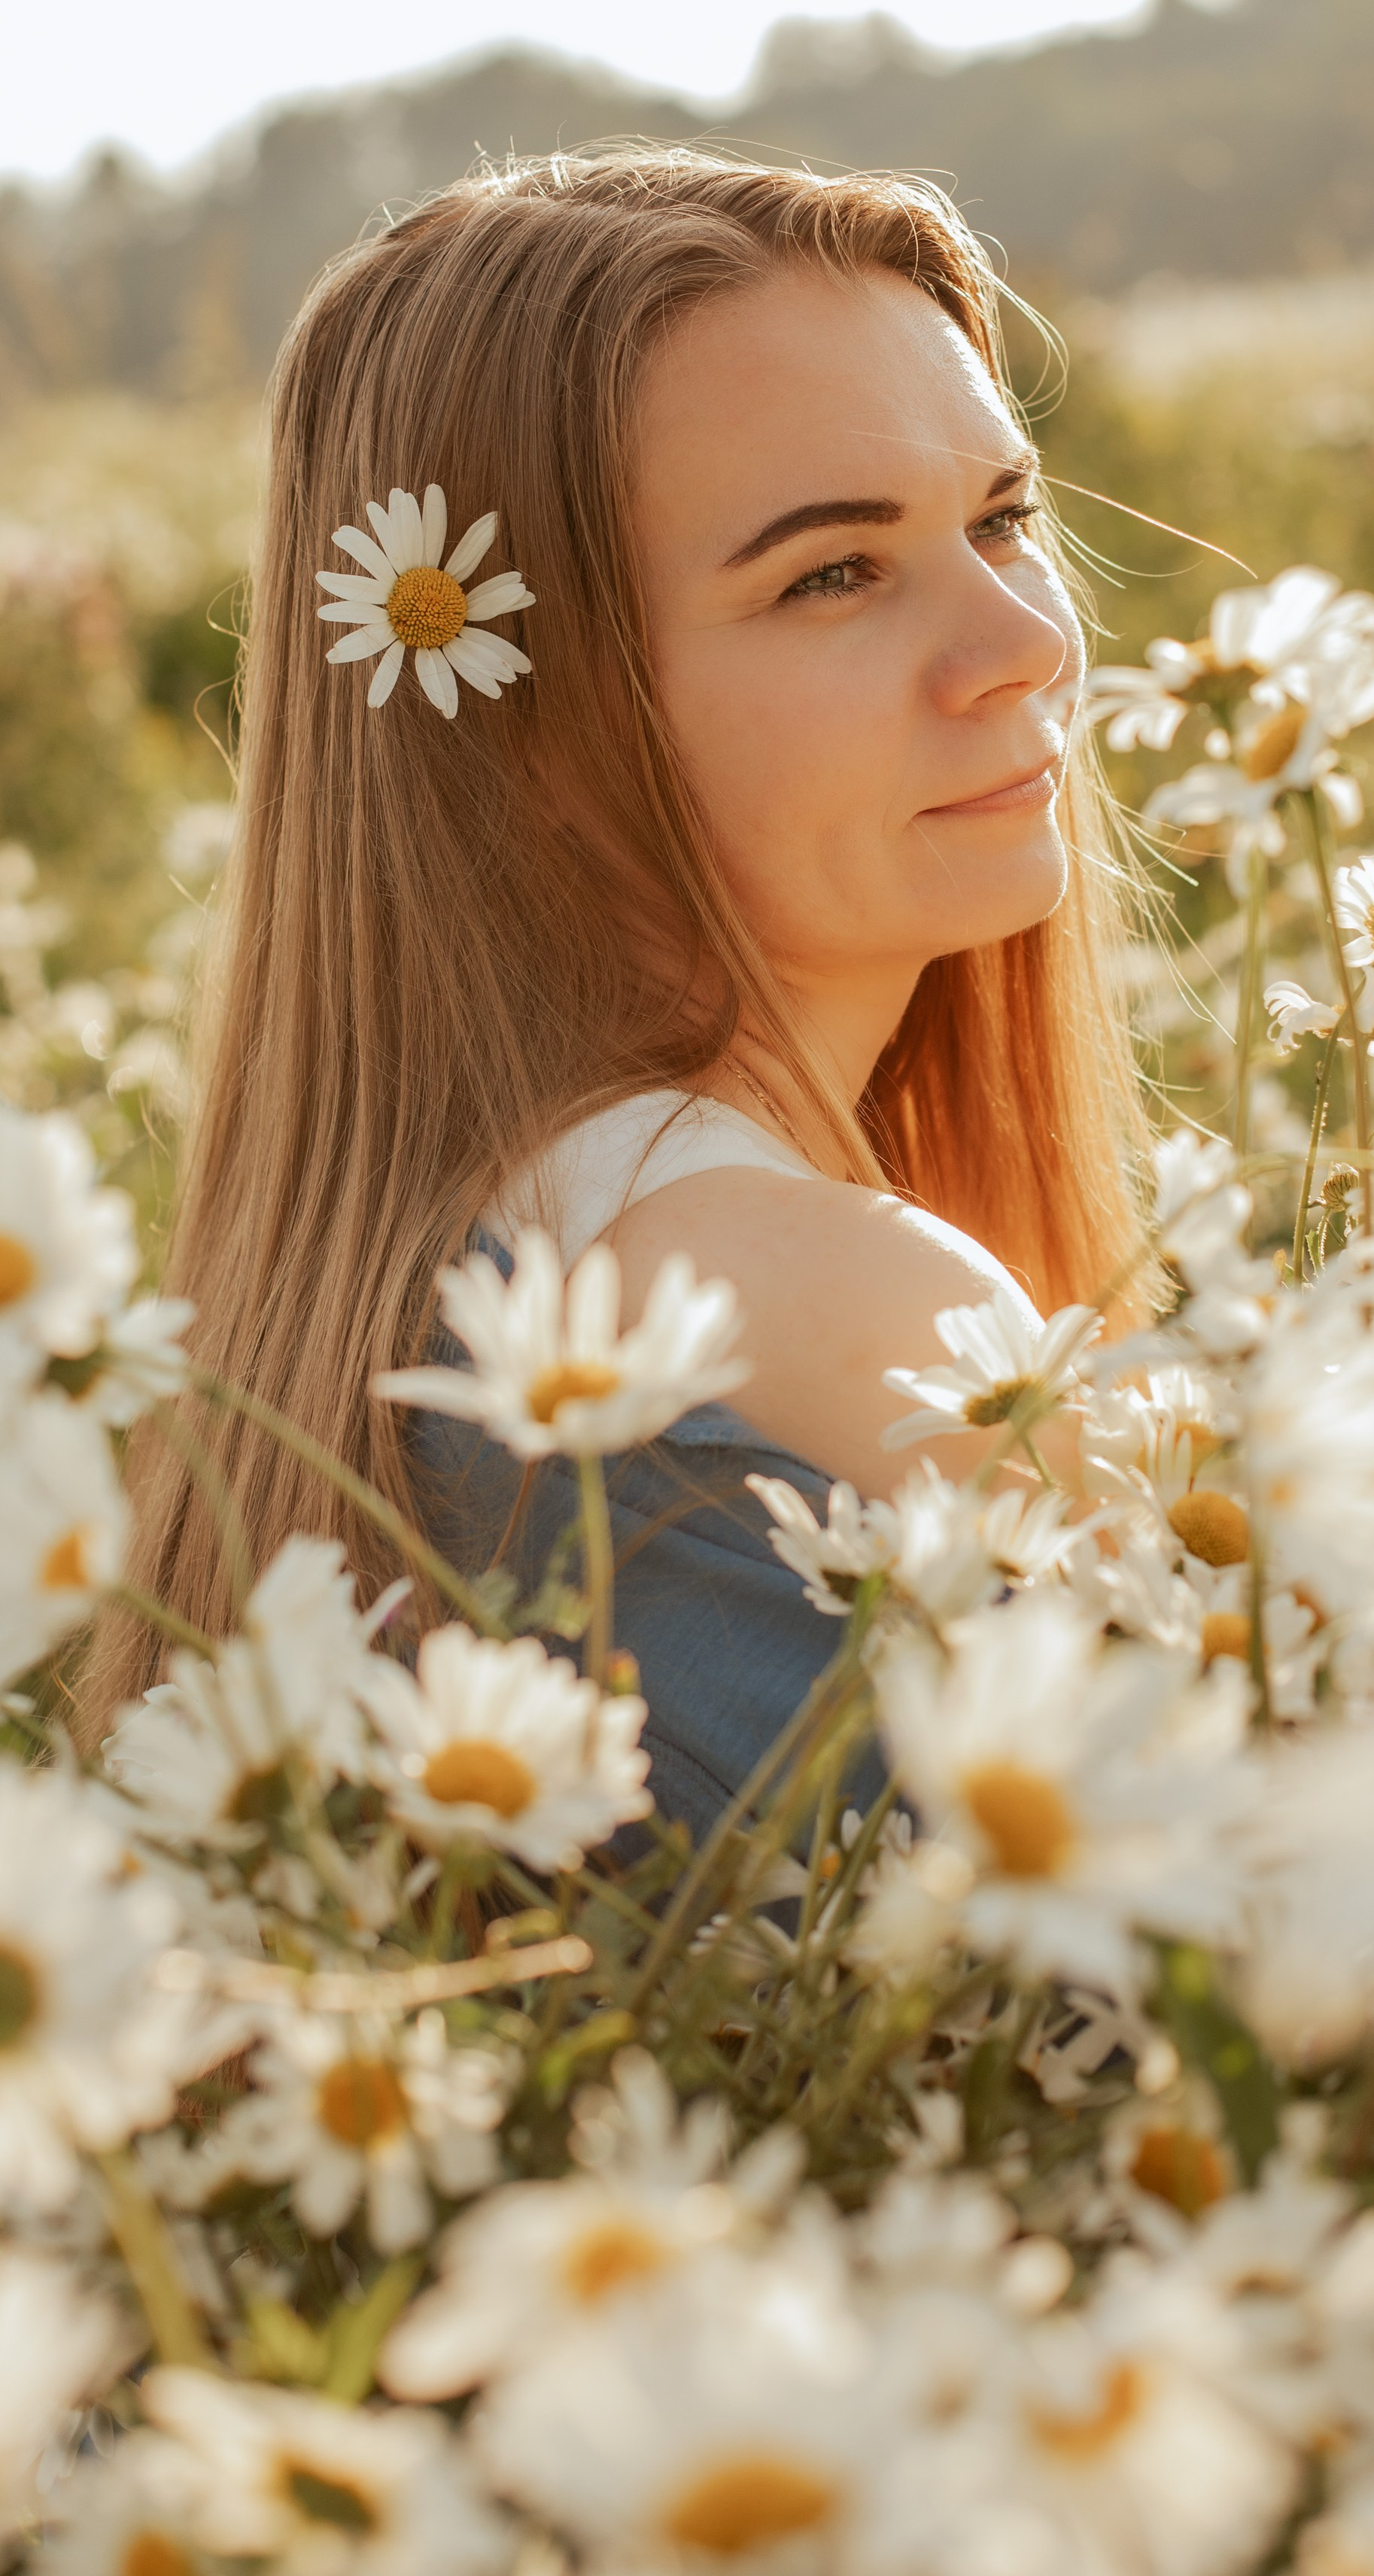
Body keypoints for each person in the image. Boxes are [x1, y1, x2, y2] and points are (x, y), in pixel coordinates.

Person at [89, 152, 1153, 1823]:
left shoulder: (409, 1284)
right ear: (529, 731)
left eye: (1004, 519)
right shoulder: (838, 1306)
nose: (1026, 643)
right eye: (831, 572)